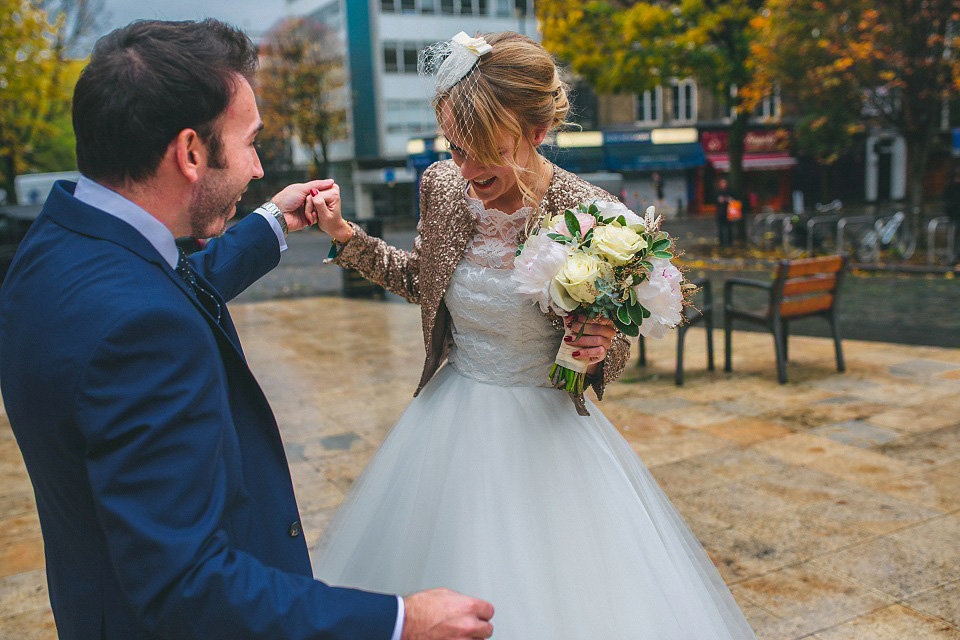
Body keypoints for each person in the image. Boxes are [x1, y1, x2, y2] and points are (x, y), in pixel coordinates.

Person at [0, 20, 493, 640]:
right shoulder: (142, 331)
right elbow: (187, 585)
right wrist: (400, 620)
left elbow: (166, 282)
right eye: (251, 141)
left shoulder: (57, 244)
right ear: (190, 153)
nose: (259, 168)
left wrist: (271, 224)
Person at [308, 31, 756, 638]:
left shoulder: (590, 212)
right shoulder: (441, 188)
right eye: (453, 148)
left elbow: (613, 340)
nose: (465, 170)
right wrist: (345, 236)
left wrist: (601, 349)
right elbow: (421, 279)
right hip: (448, 422)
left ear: (535, 133)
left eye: (482, 151)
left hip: (548, 437)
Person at [715, 177, 733, 248]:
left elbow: (733, 199)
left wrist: (728, 199)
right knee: (720, 229)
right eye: (722, 183)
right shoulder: (718, 192)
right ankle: (721, 243)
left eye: (725, 183)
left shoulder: (729, 191)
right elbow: (715, 200)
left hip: (729, 213)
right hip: (720, 213)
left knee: (729, 228)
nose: (724, 184)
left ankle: (729, 242)